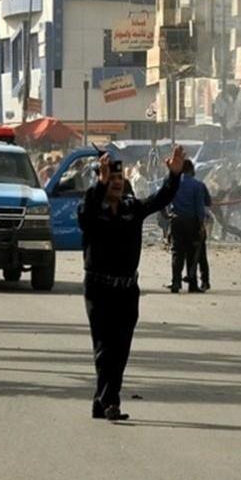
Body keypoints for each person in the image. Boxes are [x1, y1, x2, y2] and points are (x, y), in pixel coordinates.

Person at [77, 145, 184, 421]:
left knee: (120, 348)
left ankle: (101, 402)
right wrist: (100, 184)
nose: (115, 183)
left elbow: (160, 199)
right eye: (110, 179)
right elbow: (86, 214)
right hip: (99, 289)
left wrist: (174, 174)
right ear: (101, 181)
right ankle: (110, 401)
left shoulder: (132, 208)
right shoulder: (91, 209)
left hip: (126, 290)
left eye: (118, 179)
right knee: (104, 348)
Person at [169, 159, 208, 293]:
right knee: (192, 252)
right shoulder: (197, 185)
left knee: (177, 252)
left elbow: (162, 199)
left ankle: (176, 282)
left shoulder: (172, 184)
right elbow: (200, 207)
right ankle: (192, 284)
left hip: (176, 220)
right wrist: (201, 224)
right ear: (192, 170)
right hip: (192, 222)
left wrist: (167, 215)